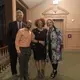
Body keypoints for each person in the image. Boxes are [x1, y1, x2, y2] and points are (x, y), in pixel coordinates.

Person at [7, 10, 24, 79]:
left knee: (22, 61)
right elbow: (8, 35)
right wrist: (10, 45)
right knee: (13, 61)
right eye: (18, 15)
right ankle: (14, 74)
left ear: (22, 16)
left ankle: (22, 73)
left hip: (22, 47)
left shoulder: (25, 25)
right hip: (13, 47)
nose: (19, 16)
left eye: (21, 15)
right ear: (16, 16)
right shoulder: (11, 24)